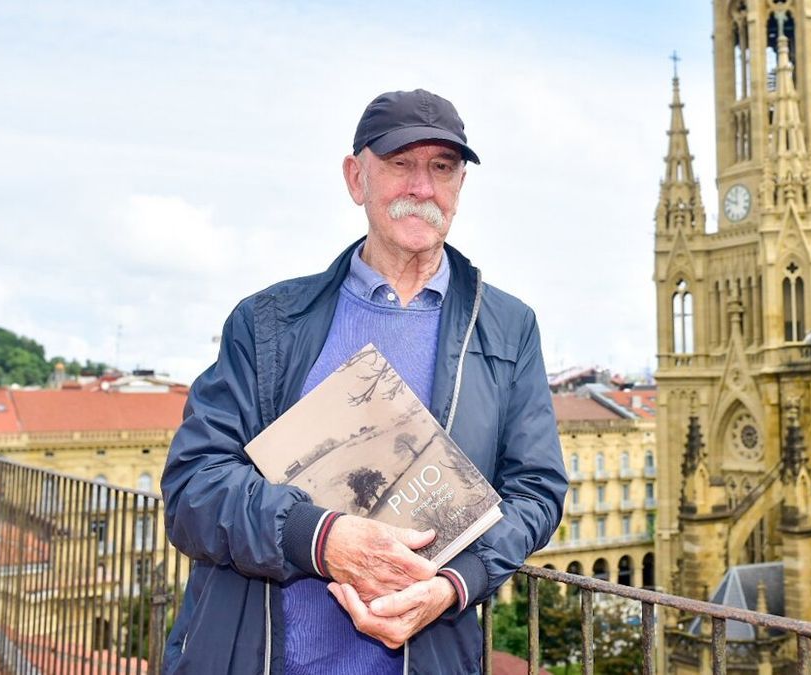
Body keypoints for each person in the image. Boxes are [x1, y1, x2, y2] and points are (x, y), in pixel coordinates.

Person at [161, 89, 567, 674]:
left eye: (442, 168)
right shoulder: (268, 321)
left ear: (459, 187)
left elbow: (536, 492)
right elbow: (192, 488)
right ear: (356, 179)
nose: (422, 188)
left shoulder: (507, 327)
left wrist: (456, 582)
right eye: (400, 165)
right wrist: (320, 539)